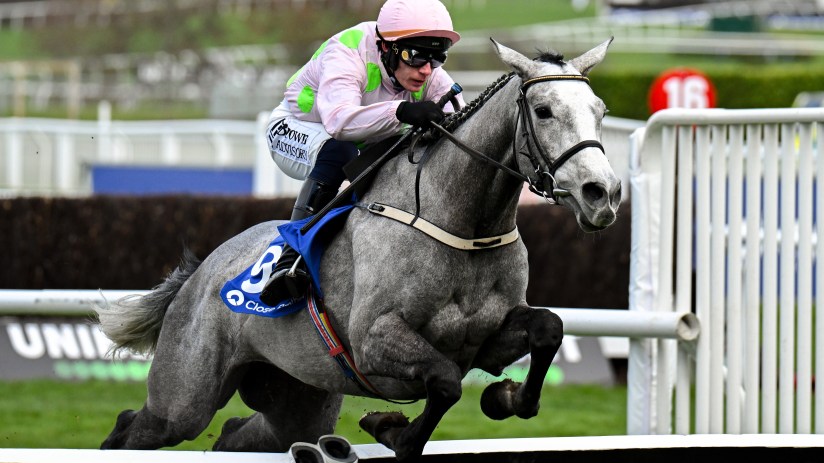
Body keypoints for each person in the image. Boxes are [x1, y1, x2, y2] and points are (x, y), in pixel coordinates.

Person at [260, 0, 465, 305]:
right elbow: (339, 122)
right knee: (339, 153)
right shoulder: (346, 51)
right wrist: (402, 110)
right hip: (298, 129)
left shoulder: (426, 70)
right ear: (387, 48)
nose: (426, 69)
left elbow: (460, 120)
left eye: (436, 59)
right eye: (416, 56)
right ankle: (290, 261)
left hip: (361, 138)